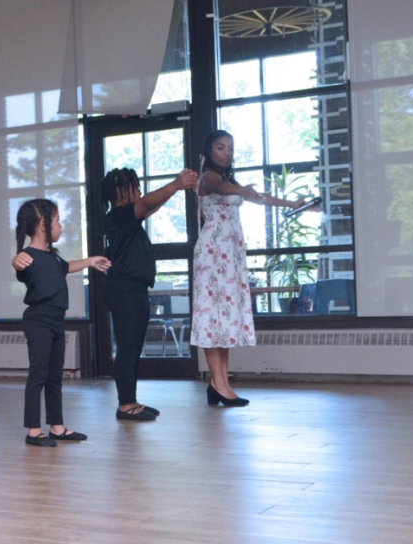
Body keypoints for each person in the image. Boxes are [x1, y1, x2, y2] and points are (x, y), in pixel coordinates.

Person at [191, 130, 307, 406]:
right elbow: (218, 187)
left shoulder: (230, 180)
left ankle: (220, 383)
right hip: (212, 253)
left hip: (229, 254)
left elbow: (257, 196)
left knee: (224, 318)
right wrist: (240, 190)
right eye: (221, 147)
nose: (227, 152)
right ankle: (219, 384)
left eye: (230, 147)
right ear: (210, 151)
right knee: (211, 317)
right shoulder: (208, 176)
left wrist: (292, 203)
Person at [101, 167, 198, 421]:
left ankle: (130, 401)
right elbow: (145, 204)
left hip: (133, 288)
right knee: (127, 348)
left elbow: (149, 206)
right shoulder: (118, 216)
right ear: (122, 191)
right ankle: (125, 405)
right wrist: (176, 184)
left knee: (132, 348)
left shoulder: (127, 219)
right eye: (135, 186)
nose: (140, 191)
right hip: (124, 289)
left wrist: (174, 189)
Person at [11, 199, 111, 447]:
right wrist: (16, 261)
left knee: (55, 376)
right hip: (38, 321)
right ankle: (33, 430)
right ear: (44, 224)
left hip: (56, 321)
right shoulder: (27, 256)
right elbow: (20, 267)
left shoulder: (52, 255)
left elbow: (66, 267)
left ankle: (57, 427)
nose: (61, 226)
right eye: (57, 221)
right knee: (39, 374)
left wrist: (90, 261)